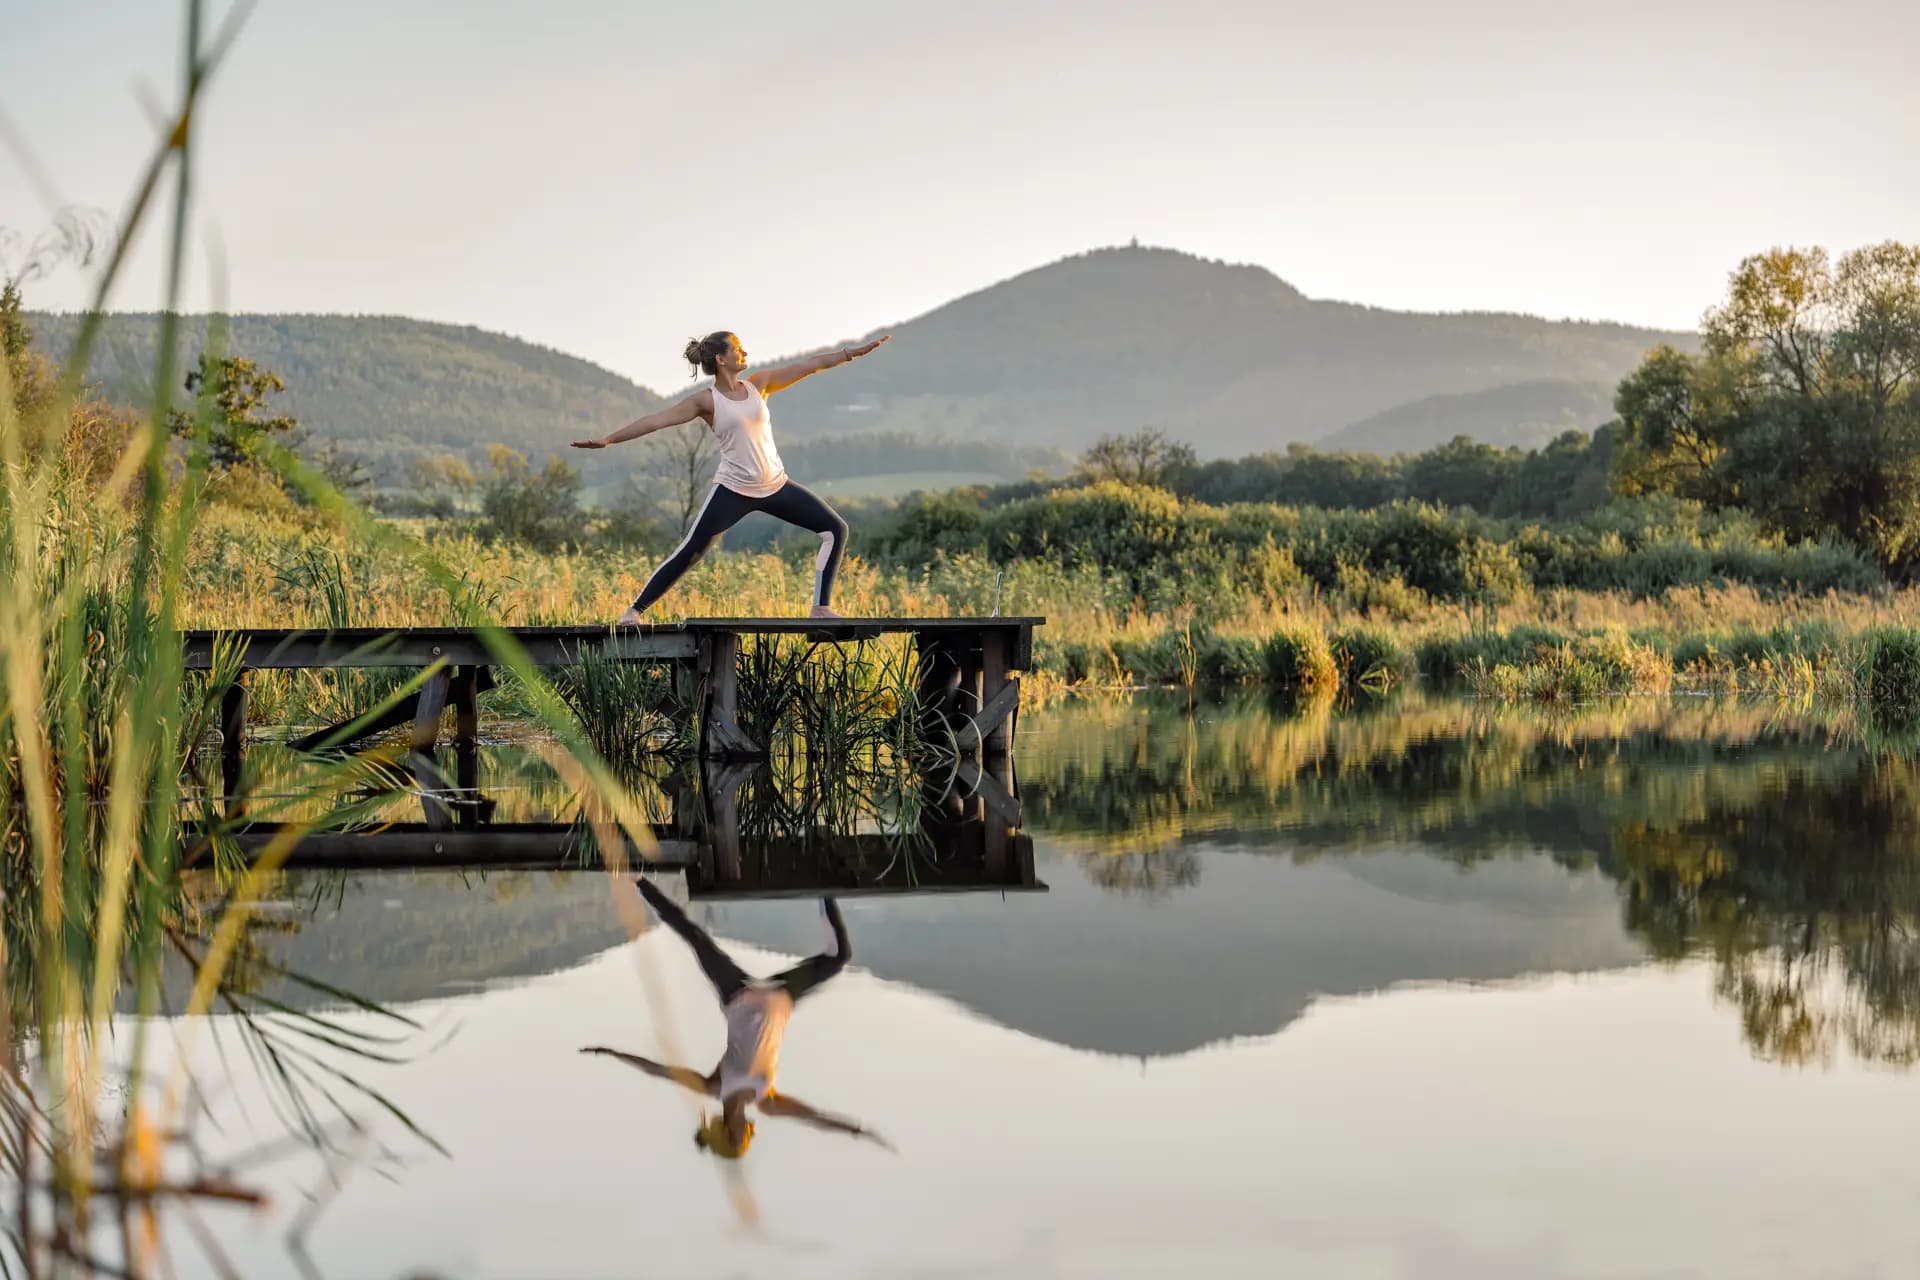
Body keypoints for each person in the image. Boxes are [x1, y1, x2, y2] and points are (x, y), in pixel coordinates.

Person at [572, 330, 889, 623]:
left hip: (776, 485)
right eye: (737, 348)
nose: (744, 351)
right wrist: (609, 440)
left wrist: (850, 354)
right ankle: (634, 611)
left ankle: (820, 609)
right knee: (692, 551)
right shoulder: (706, 401)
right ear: (721, 360)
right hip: (734, 490)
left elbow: (811, 365)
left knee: (835, 529)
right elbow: (657, 421)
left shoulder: (759, 384)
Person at [581, 877, 891, 1159]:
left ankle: (639, 880)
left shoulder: (714, 1088)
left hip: (738, 996)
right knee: (839, 957)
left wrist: (613, 1053)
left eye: (744, 1139)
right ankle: (823, 886)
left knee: (695, 937)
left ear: (730, 1132)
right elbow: (814, 1118)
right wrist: (855, 1130)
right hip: (782, 997)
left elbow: (660, 1071)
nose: (752, 1134)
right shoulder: (767, 1102)